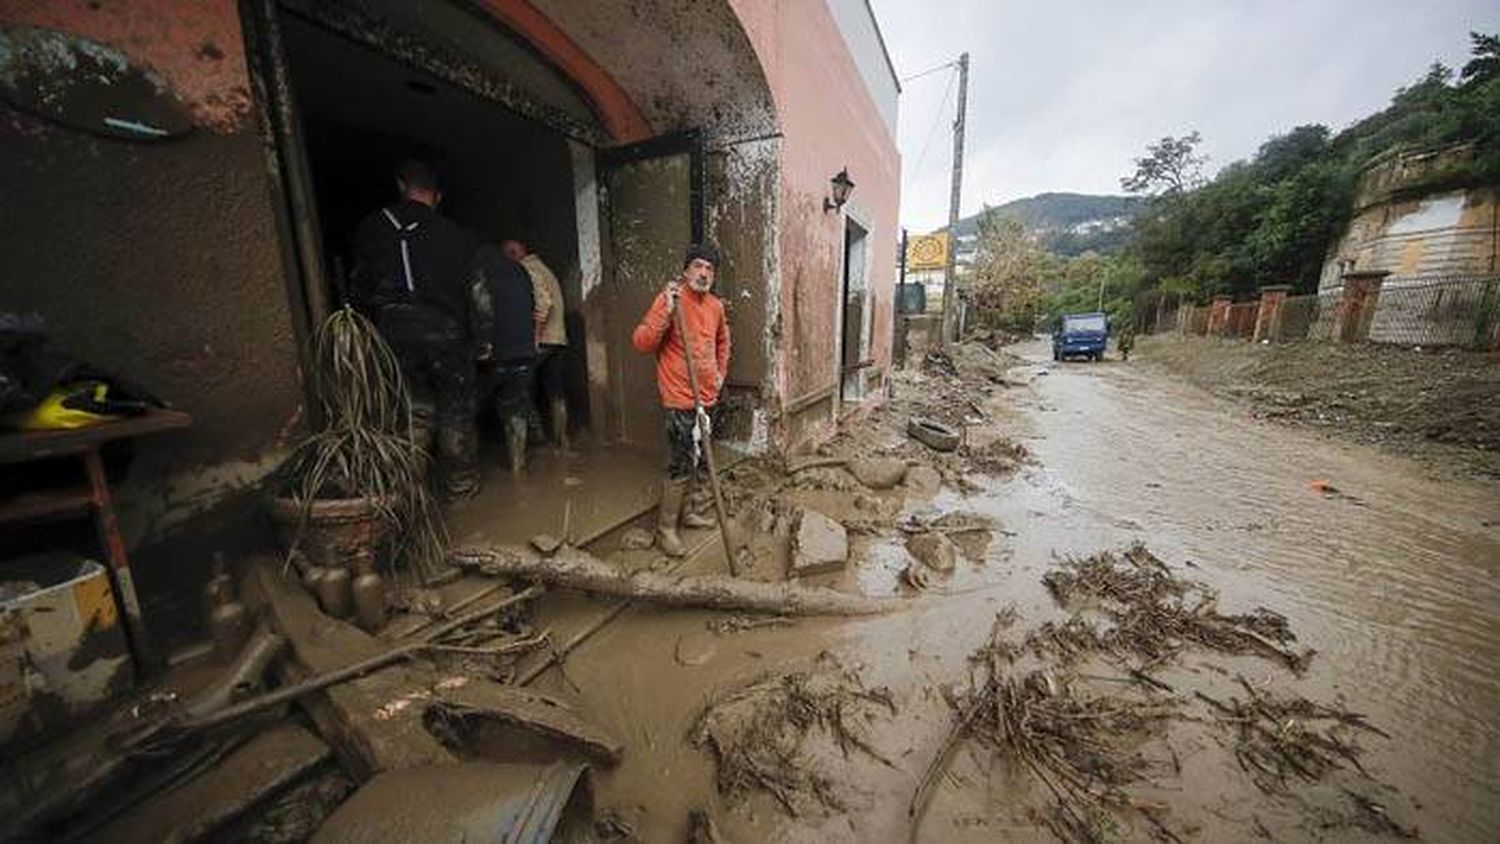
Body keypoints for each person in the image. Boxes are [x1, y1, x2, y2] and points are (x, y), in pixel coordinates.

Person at [349, 160, 481, 499]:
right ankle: (460, 490)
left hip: (394, 333)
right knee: (456, 411)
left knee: (412, 412)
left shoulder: (372, 228)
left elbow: (359, 287)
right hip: (448, 334)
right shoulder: (458, 236)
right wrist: (483, 340)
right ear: (437, 196)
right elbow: (479, 295)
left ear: (400, 186)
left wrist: (363, 332)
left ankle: (410, 498)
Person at [631, 243, 731, 557]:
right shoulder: (670, 299)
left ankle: (689, 513)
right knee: (679, 464)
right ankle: (666, 530)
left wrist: (719, 374)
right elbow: (642, 342)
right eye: (698, 266)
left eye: (709, 269)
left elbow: (723, 342)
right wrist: (666, 311)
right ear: (686, 270)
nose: (703, 273)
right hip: (680, 397)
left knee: (701, 458)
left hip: (708, 396)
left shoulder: (715, 306)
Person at [470, 242, 537, 479]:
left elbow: (480, 307)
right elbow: (533, 307)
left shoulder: (478, 270)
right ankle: (518, 467)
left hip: (494, 357)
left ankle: (468, 476)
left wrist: (481, 348)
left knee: (465, 412)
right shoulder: (520, 271)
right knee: (515, 411)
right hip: (524, 354)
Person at [502, 238, 570, 453]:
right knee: (555, 392)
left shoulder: (526, 269)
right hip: (558, 340)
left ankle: (536, 440)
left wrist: (535, 336)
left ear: (513, 255)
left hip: (544, 340)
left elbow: (543, 302)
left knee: (517, 388)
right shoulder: (543, 267)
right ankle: (562, 441)